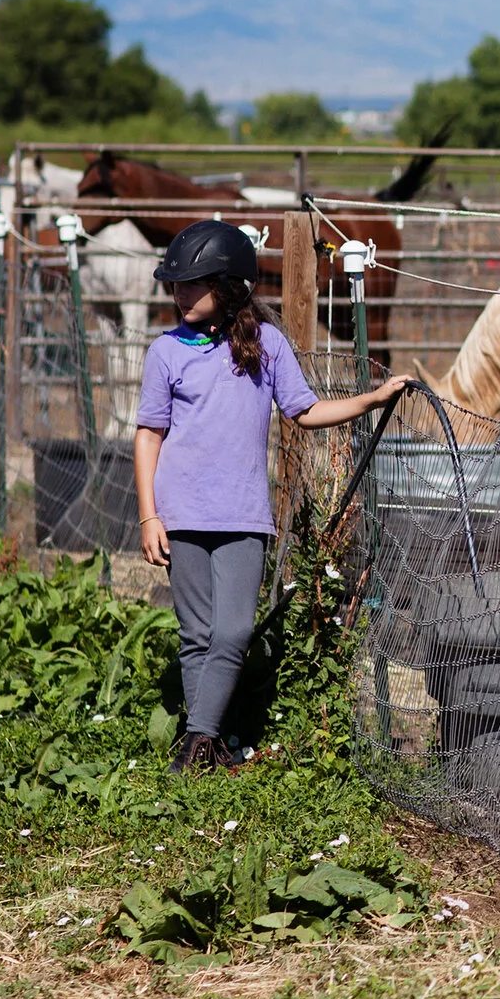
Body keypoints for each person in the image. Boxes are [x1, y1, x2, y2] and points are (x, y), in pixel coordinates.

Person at [131, 219, 409, 773]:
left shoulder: (267, 344)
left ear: (227, 286)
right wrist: (149, 516)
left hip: (242, 515)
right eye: (175, 284)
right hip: (180, 512)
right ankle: (206, 747)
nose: (179, 293)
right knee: (197, 635)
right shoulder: (165, 352)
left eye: (191, 284)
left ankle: (197, 740)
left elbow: (305, 411)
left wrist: (371, 401)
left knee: (233, 632)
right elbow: (149, 435)